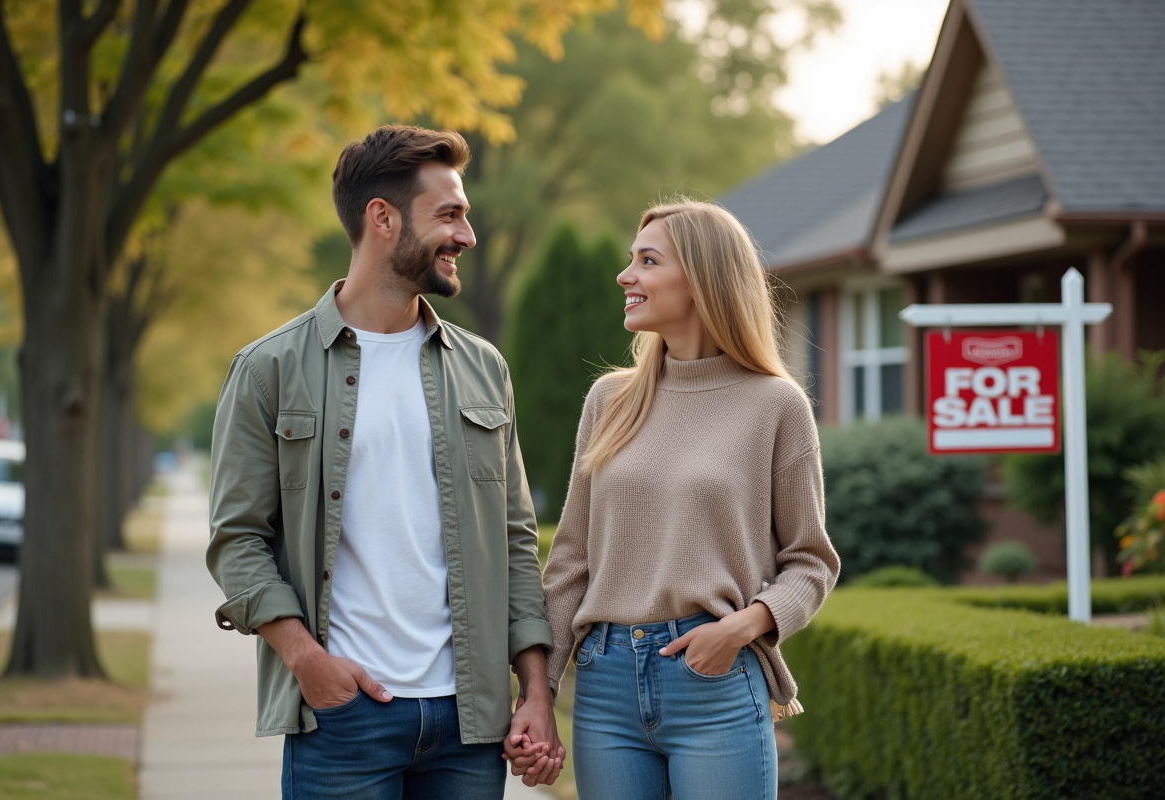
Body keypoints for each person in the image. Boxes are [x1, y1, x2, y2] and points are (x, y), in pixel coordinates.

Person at [207, 125, 563, 799]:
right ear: (383, 218)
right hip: (346, 718)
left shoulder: (483, 369)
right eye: (450, 215)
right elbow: (237, 542)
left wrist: (535, 692)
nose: (468, 235)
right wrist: (306, 661)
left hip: (469, 722)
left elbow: (516, 542)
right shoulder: (270, 369)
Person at [536, 199, 840, 800]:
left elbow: (811, 561)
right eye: (630, 261)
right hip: (605, 687)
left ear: (703, 278)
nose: (626, 277)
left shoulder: (775, 405)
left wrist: (739, 630)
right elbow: (570, 561)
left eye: (647, 261)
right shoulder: (609, 400)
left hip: (717, 682)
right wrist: (539, 694)